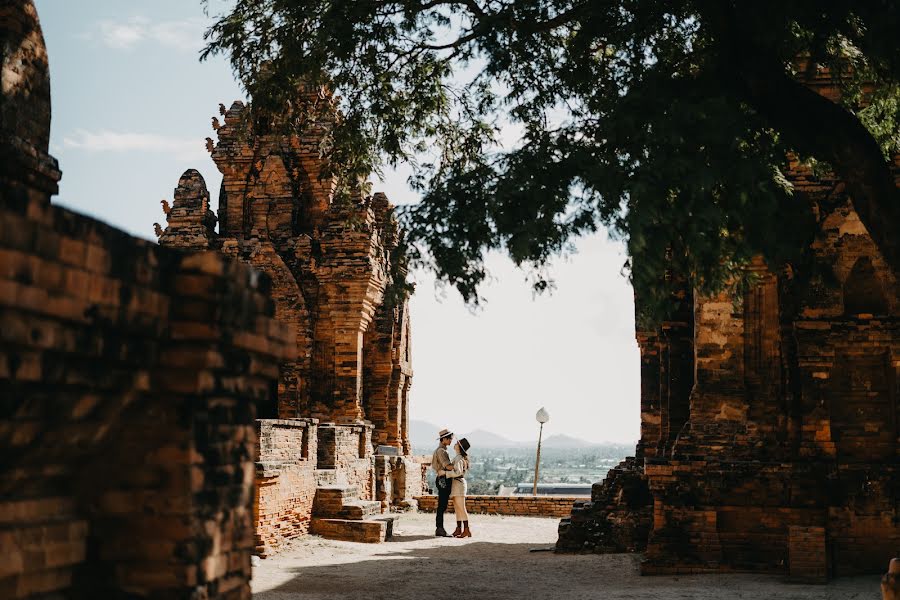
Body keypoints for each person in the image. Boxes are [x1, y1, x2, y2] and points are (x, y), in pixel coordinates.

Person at [442, 437, 472, 538]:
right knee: (457, 508)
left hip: (459, 484)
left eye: (457, 443)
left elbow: (457, 472)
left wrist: (445, 473)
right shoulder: (458, 457)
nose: (454, 444)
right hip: (456, 484)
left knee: (461, 508)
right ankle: (459, 529)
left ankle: (466, 529)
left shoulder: (459, 458)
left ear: (459, 446)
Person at [431, 428, 454, 537]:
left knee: (442, 505)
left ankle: (440, 528)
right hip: (443, 479)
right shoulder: (442, 451)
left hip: (442, 478)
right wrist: (459, 464)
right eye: (449, 438)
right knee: (442, 505)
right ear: (444, 439)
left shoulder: (441, 450)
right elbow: (448, 466)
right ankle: (439, 528)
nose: (451, 440)